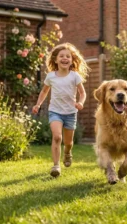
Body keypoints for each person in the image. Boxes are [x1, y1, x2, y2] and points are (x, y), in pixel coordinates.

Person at [32, 42, 89, 177]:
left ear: (72, 60)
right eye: (61, 56)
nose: (65, 58)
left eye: (68, 56)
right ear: (56, 60)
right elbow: (44, 92)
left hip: (70, 113)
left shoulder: (74, 76)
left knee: (68, 142)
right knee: (57, 137)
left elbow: (82, 93)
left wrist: (80, 102)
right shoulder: (51, 76)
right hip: (55, 111)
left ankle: (67, 153)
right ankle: (56, 166)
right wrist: (38, 104)